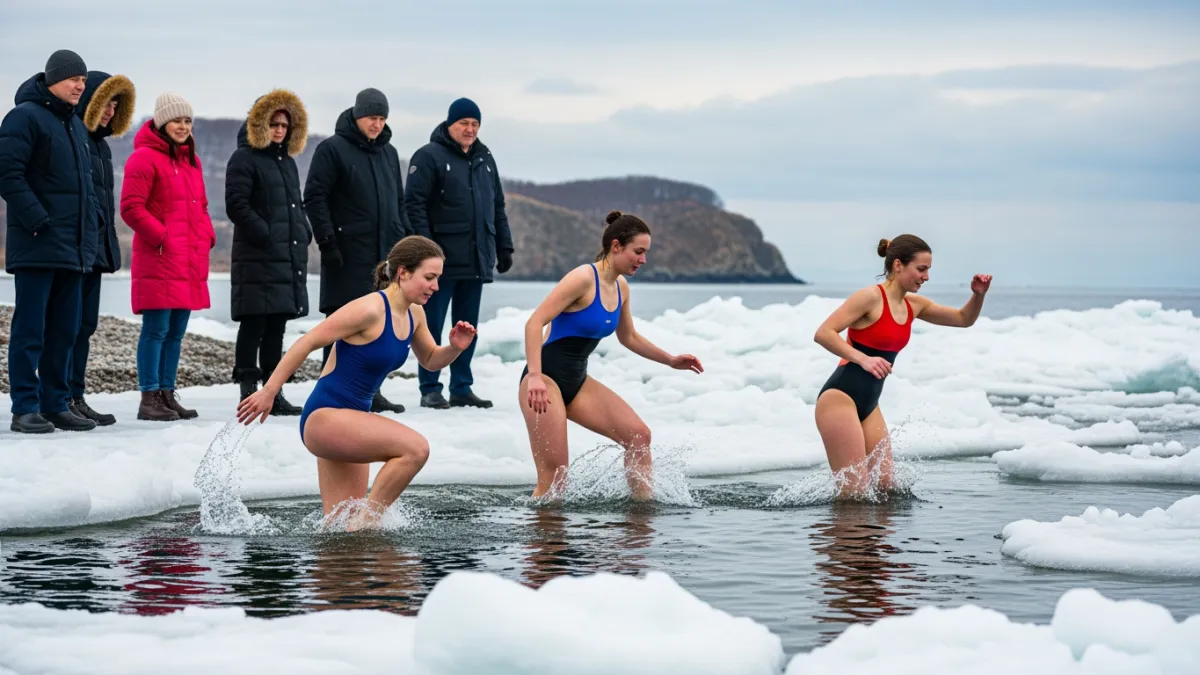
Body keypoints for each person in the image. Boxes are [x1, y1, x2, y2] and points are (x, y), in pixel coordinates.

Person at [237, 236, 475, 530]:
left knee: (339, 526)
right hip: (326, 417)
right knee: (415, 450)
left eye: (438, 278)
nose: (436, 286)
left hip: (353, 422)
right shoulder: (369, 309)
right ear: (403, 272)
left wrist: (455, 348)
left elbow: (430, 359)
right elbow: (307, 342)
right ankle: (368, 522)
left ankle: (349, 547)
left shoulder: (414, 314)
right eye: (429, 277)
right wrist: (269, 391)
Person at [518, 211, 703, 501]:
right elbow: (534, 323)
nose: (643, 260)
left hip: (576, 381)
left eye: (645, 253)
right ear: (616, 246)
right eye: (638, 252)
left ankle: (639, 521)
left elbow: (628, 336)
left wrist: (670, 360)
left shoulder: (621, 287)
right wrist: (535, 377)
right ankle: (544, 544)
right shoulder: (582, 278)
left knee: (638, 437)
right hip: (545, 380)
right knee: (555, 479)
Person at [813, 235, 992, 497]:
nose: (927, 276)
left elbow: (963, 319)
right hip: (839, 399)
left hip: (869, 404)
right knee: (854, 495)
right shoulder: (869, 298)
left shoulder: (914, 306)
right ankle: (847, 538)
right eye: (921, 269)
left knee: (886, 488)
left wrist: (978, 296)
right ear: (898, 265)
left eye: (928, 269)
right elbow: (824, 333)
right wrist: (863, 358)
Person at [0, 49, 101, 434]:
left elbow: (85, 189)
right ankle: (24, 406)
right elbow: (7, 173)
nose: (80, 85)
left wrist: (89, 229)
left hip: (72, 249)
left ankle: (55, 403)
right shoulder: (24, 117)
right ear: (53, 79)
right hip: (37, 244)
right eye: (74, 78)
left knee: (64, 330)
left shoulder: (74, 124)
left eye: (83, 79)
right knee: (31, 331)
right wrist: (37, 220)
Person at [303, 87, 409, 415]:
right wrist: (327, 243)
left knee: (378, 326)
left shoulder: (389, 153)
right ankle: (331, 392)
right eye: (371, 118)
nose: (376, 124)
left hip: (384, 257)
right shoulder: (332, 149)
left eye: (381, 118)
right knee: (341, 324)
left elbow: (399, 204)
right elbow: (315, 198)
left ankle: (371, 392)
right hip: (346, 254)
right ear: (356, 115)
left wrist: (403, 246)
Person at [406, 97, 514, 411]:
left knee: (466, 328)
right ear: (450, 124)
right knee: (431, 327)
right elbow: (414, 205)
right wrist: (427, 253)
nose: (469, 129)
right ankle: (430, 387)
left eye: (475, 124)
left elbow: (497, 206)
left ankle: (462, 387)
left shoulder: (485, 159)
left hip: (476, 258)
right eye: (464, 123)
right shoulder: (429, 156)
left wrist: (504, 246)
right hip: (440, 263)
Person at [120, 92, 215, 422]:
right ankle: (149, 398)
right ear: (162, 122)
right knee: (156, 329)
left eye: (188, 121)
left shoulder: (191, 161)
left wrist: (206, 235)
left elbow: (200, 207)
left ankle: (166, 393)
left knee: (175, 332)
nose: (183, 126)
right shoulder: (144, 158)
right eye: (177, 120)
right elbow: (131, 208)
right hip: (160, 257)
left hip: (187, 257)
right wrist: (162, 236)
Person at [225, 89, 311, 416]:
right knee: (253, 324)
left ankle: (274, 393)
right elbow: (237, 205)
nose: (279, 130)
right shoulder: (243, 158)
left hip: (285, 257)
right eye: (273, 123)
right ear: (259, 123)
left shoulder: (287, 162)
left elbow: (295, 206)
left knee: (277, 326)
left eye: (284, 125)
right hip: (256, 256)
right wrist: (266, 233)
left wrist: (303, 231)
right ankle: (249, 391)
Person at [69, 70, 136, 427]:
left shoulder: (102, 145)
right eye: (105, 101)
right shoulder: (75, 135)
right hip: (73, 248)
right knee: (67, 326)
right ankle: (62, 395)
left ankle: (76, 395)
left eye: (115, 104)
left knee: (86, 325)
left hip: (94, 250)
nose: (109, 110)